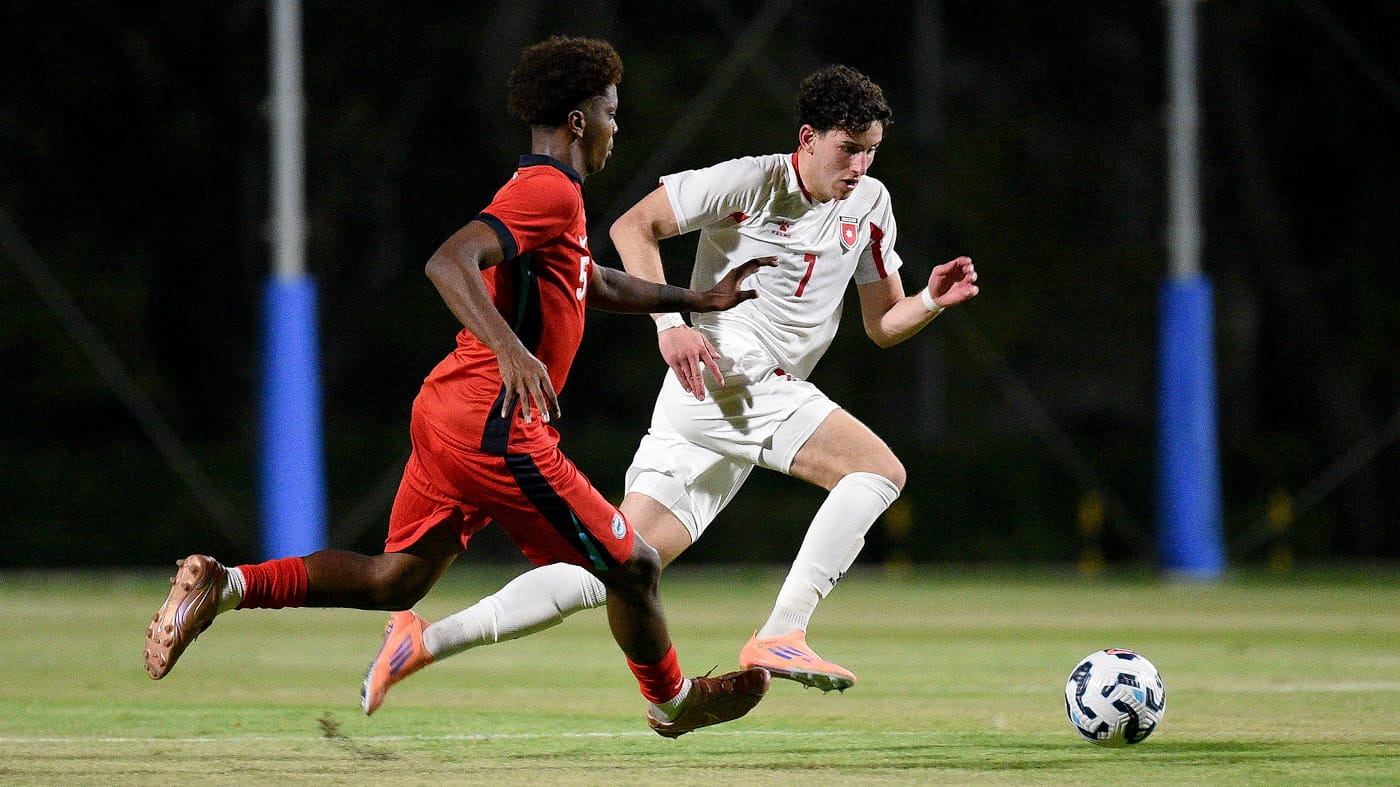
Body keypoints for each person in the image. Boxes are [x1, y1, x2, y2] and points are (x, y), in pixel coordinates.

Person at [142, 35, 777, 739]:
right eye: (610, 112)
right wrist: (511, 350)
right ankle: (672, 702)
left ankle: (226, 584)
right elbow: (448, 261)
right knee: (634, 566)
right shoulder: (548, 190)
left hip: (449, 410)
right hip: (494, 425)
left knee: (395, 580)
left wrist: (695, 297)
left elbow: (589, 279)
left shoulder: (546, 193)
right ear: (578, 121)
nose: (614, 127)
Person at [360, 63, 979, 711]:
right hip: (728, 372)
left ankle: (424, 639)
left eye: (871, 151)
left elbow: (883, 322)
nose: (860, 166)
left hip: (726, 399)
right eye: (848, 149)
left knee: (617, 565)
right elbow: (633, 226)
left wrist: (930, 301)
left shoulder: (870, 204)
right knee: (878, 471)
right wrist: (670, 324)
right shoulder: (750, 180)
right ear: (808, 139)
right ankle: (783, 631)